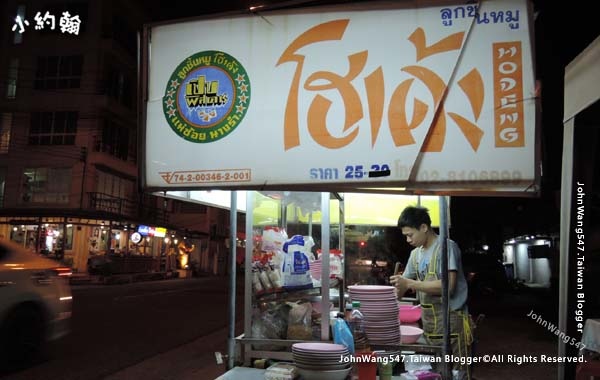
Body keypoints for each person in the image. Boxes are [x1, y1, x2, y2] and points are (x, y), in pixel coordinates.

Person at [390, 206, 473, 380]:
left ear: (424, 227)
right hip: (430, 325)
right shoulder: (415, 255)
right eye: (405, 235)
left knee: (458, 373)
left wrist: (411, 283)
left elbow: (448, 286)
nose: (407, 240)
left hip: (453, 323)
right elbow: (402, 287)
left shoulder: (446, 247)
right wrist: (395, 288)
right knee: (436, 373)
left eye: (410, 235)